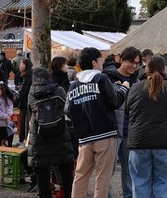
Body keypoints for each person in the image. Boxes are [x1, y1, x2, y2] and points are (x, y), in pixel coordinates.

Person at [67, 47, 129, 198]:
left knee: (81, 176)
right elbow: (115, 101)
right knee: (102, 178)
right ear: (94, 62)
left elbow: (67, 110)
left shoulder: (74, 85)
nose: (102, 63)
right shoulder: (101, 79)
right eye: (100, 60)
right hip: (105, 135)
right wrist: (123, 89)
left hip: (85, 138)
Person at [126, 55, 167, 198]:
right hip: (165, 142)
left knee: (140, 184)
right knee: (164, 184)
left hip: (139, 142)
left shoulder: (135, 88)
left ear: (146, 69)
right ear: (164, 69)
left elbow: (128, 110)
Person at [28, 67, 74, 198]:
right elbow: (67, 108)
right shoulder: (58, 89)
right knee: (65, 168)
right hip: (59, 132)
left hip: (39, 133)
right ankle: (69, 194)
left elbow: (30, 112)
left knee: (41, 170)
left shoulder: (31, 92)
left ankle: (45, 195)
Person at [103, 46, 141, 198]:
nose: (134, 66)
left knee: (130, 169)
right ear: (122, 59)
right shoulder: (107, 78)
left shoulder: (136, 81)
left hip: (130, 131)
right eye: (131, 62)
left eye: (137, 63)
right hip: (112, 130)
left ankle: (129, 195)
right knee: (108, 169)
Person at [0, 83, 15, 147]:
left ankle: (8, 146)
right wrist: (6, 116)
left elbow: (10, 106)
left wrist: (9, 114)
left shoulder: (6, 98)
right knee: (2, 136)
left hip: (6, 122)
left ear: (2, 91)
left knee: (10, 132)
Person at [17, 58, 33, 146]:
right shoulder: (26, 75)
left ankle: (24, 141)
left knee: (25, 122)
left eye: (22, 64)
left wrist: (15, 100)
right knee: (23, 121)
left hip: (26, 102)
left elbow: (23, 91)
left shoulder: (28, 76)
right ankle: (22, 139)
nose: (20, 65)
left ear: (27, 65)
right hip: (25, 102)